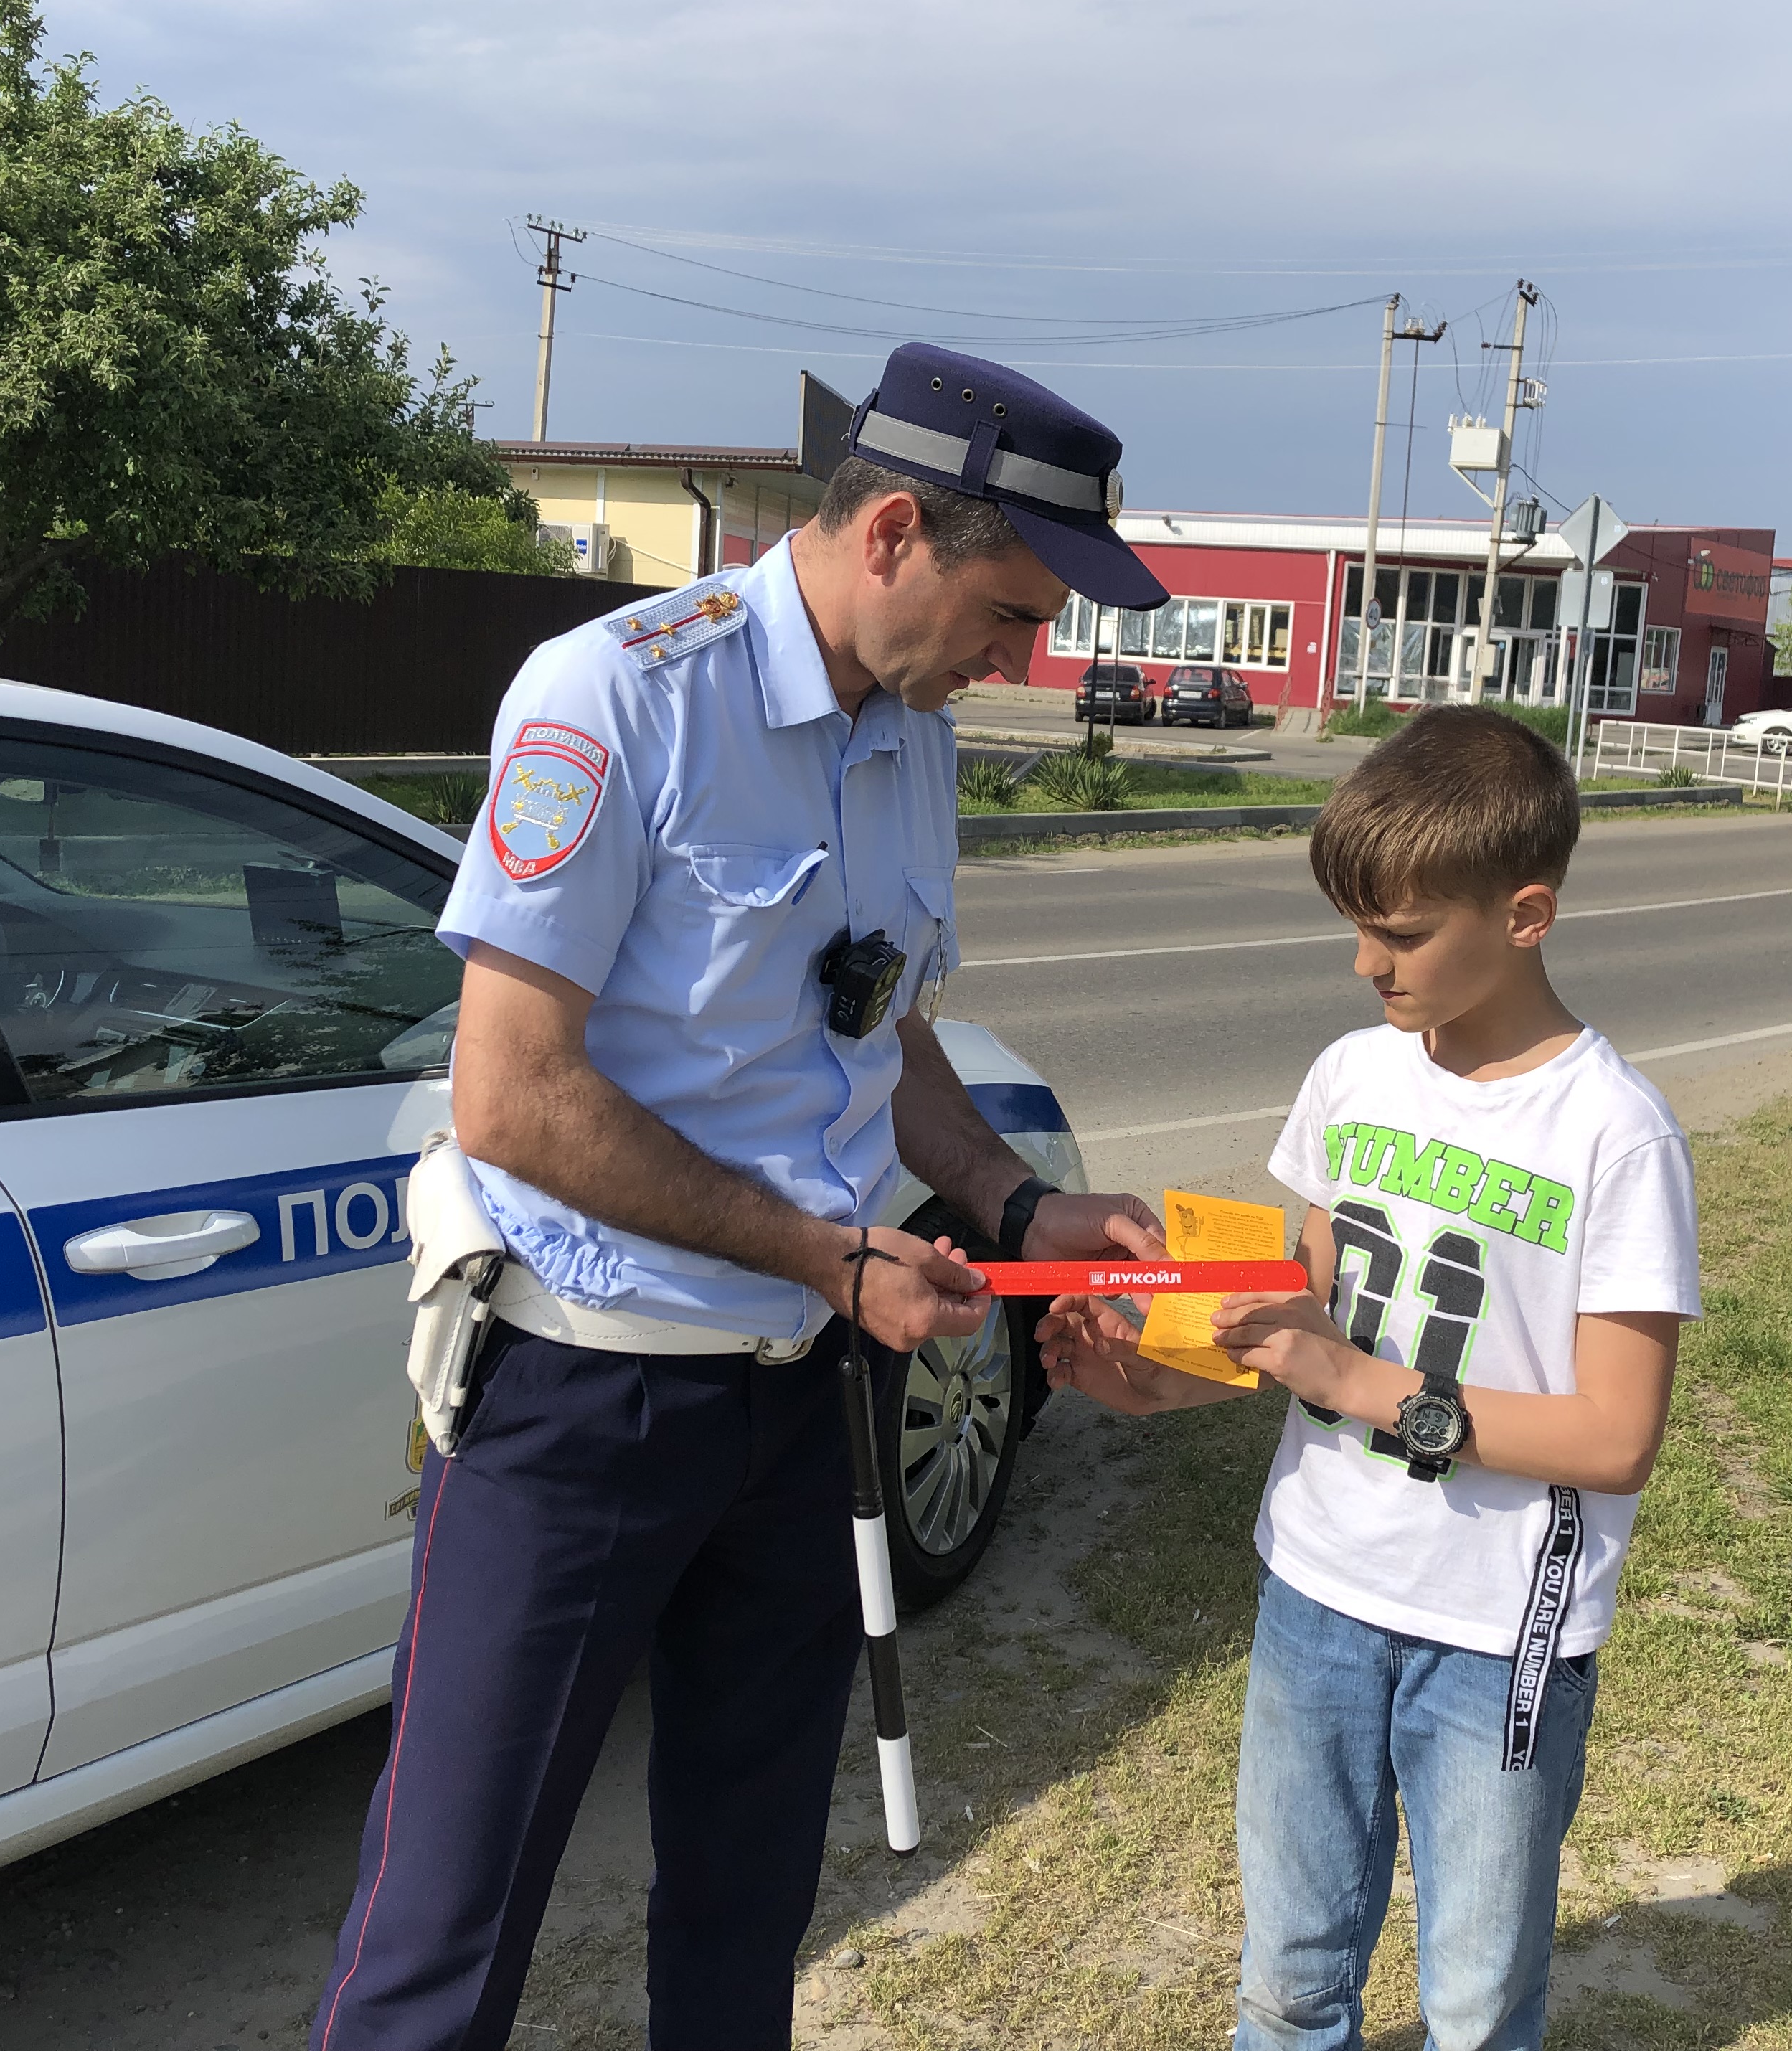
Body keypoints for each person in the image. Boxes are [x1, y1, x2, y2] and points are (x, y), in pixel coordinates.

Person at [311, 342, 1169, 2051]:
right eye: (1015, 610)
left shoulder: (911, 726)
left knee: (748, 1892)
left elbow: (880, 1021)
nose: (1031, 657)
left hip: (808, 1400)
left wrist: (1003, 1204)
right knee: (449, 1920)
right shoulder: (619, 694)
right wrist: (818, 1249)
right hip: (588, 1391)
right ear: (898, 531)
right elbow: (516, 1092)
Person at [1039, 707, 1699, 2051]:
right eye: (1356, 926)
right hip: (1317, 1591)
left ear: (1526, 914)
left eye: (1400, 935)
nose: (1365, 964)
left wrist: (1354, 1382)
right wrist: (1160, 1380)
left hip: (1497, 1631)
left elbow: (1614, 1437)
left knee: (1472, 2002)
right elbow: (1314, 1329)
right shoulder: (1352, 1078)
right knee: (1288, 1976)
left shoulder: (1615, 1135)